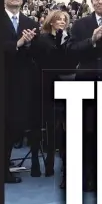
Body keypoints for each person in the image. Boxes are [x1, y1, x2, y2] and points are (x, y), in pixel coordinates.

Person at [66, 0, 102, 192]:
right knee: (86, 131)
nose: (100, 2)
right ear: (91, 1)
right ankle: (87, 177)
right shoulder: (80, 24)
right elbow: (71, 51)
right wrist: (92, 40)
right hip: (86, 83)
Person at [2, 0, 40, 183]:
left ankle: (3, 169)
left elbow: (38, 51)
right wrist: (17, 44)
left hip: (20, 83)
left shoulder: (30, 22)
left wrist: (30, 43)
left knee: (13, 127)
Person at [34, 9, 75, 186]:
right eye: (58, 19)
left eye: (64, 19)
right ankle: (40, 162)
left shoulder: (70, 39)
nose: (61, 21)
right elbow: (47, 61)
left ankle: (58, 165)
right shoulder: (43, 39)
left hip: (65, 85)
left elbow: (70, 62)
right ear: (51, 21)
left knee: (62, 127)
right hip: (46, 85)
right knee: (46, 125)